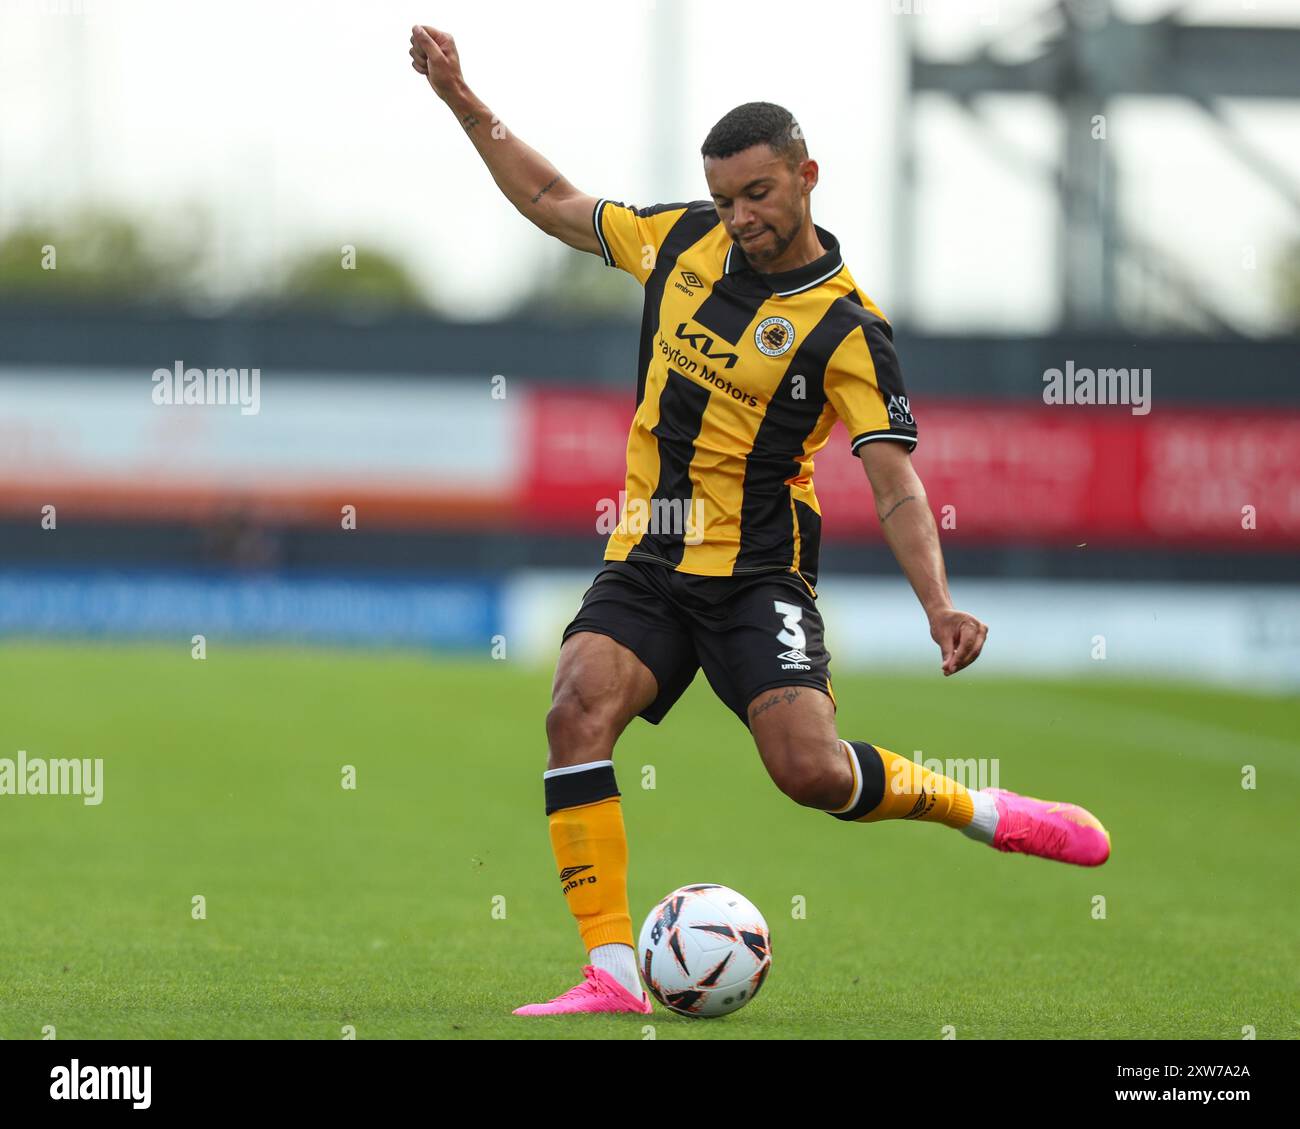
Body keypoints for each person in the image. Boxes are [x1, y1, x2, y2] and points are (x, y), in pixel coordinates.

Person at [409, 24, 1111, 1019]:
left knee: (811, 773)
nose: (736, 217)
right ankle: (612, 969)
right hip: (648, 552)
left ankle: (986, 811)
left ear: (805, 176)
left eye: (756, 195)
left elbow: (896, 481)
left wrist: (939, 603)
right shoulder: (683, 239)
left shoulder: (846, 327)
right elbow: (551, 199)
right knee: (574, 709)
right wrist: (461, 99)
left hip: (756, 575)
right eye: (723, 198)